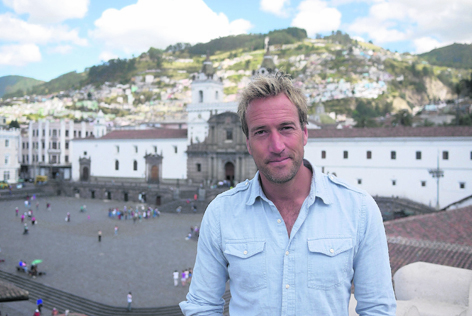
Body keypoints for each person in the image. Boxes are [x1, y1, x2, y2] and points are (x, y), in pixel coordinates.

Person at [180, 73, 396, 315]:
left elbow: (378, 309)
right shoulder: (220, 213)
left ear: (305, 133)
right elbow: (202, 306)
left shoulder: (359, 208)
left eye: (286, 128)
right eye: (261, 132)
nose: (277, 146)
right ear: (248, 144)